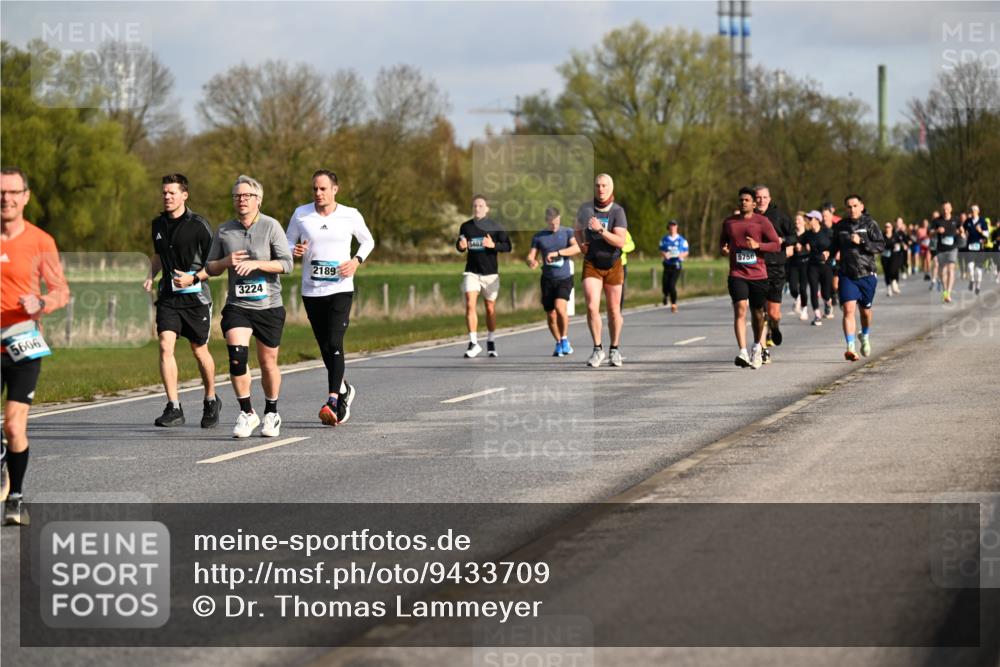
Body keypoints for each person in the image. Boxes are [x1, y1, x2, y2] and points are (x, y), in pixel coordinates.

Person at [0, 167, 70, 525]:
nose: (6, 198)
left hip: (22, 344)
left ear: (25, 197)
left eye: (13, 192)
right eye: (1, 192)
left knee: (15, 427)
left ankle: (15, 497)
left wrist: (41, 303)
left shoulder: (40, 241)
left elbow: (61, 291)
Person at [206, 175, 293, 438]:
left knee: (268, 362)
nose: (241, 200)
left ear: (258, 200)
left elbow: (287, 264)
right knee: (237, 357)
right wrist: (226, 262)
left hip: (269, 305)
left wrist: (257, 264)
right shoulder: (224, 230)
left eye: (247, 196)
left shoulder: (271, 226)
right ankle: (247, 412)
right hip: (238, 305)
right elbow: (210, 268)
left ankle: (271, 413)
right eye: (237, 196)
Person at [287, 170, 374, 426]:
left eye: (323, 188)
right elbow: (287, 243)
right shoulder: (301, 214)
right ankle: (344, 388)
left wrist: (356, 261)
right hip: (312, 290)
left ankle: (333, 401)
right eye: (315, 188)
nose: (318, 193)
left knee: (335, 342)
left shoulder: (350, 214)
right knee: (325, 346)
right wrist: (294, 250)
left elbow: (368, 241)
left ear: (335, 189)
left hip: (340, 288)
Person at [143, 174, 220, 429]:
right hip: (168, 297)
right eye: (164, 192)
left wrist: (193, 278)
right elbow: (158, 255)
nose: (167, 197)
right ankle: (174, 406)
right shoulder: (157, 224)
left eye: (172, 193)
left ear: (184, 195)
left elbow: (214, 264)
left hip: (196, 298)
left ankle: (211, 399)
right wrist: (150, 275)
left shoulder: (199, 225)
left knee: (199, 351)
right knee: (165, 346)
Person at [721, 187, 781, 369]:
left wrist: (758, 245)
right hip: (737, 273)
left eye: (747, 200)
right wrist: (724, 249)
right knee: (740, 308)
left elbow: (776, 245)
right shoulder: (729, 222)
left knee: (757, 313)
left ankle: (756, 347)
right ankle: (743, 352)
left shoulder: (762, 222)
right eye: (741, 200)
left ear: (754, 204)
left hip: (758, 275)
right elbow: (723, 242)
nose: (743, 203)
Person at [575, 173, 628, 368]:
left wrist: (600, 230)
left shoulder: (617, 211)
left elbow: (620, 241)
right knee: (591, 306)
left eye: (604, 185)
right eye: (598, 185)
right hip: (592, 263)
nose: (601, 189)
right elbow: (576, 229)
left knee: (614, 310)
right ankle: (597, 349)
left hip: (613, 264)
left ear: (611, 188)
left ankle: (614, 349)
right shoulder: (586, 209)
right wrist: (581, 245)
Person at [830, 194, 884, 361]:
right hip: (847, 274)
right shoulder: (840, 226)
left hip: (867, 274)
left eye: (855, 206)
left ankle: (865, 335)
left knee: (865, 312)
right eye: (849, 206)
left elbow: (880, 246)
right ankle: (850, 347)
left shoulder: (870, 224)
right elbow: (833, 246)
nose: (852, 209)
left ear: (861, 206)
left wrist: (862, 241)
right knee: (848, 310)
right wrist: (827, 253)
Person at [456, 195, 511, 358]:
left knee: (490, 308)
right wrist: (461, 246)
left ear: (487, 209)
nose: (477, 208)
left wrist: (493, 245)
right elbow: (460, 244)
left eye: (480, 206)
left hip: (490, 274)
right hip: (472, 272)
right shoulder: (466, 226)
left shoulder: (495, 226)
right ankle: (473, 342)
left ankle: (491, 340)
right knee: (470, 304)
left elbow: (508, 246)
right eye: (475, 206)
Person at [527, 206, 580, 356]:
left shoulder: (567, 232)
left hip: (564, 278)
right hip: (547, 280)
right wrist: (531, 262)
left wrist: (558, 253)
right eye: (551, 222)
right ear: (546, 220)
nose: (555, 225)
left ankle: (564, 339)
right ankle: (558, 342)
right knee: (551, 315)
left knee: (560, 307)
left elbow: (577, 248)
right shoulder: (539, 237)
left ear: (559, 218)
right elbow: (530, 255)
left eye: (557, 221)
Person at [754, 185, 795, 362]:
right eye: (758, 197)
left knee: (773, 314)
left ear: (769, 199)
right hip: (756, 268)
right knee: (759, 312)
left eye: (764, 197)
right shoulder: (749, 217)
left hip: (776, 267)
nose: (761, 200)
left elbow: (793, 236)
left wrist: (783, 240)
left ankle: (775, 326)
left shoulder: (779, 216)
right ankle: (763, 350)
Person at [803, 210, 832, 326]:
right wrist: (800, 245)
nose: (808, 221)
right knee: (813, 290)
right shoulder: (808, 234)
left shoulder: (827, 232)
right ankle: (817, 315)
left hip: (826, 266)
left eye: (810, 219)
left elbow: (835, 245)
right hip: (813, 266)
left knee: (825, 293)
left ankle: (828, 302)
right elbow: (798, 241)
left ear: (817, 220)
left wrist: (829, 252)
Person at [659, 220, 689, 312]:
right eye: (671, 226)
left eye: (674, 226)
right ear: (668, 228)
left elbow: (686, 252)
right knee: (665, 285)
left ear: (677, 227)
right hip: (667, 265)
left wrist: (681, 255)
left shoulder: (682, 240)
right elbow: (661, 250)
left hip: (676, 265)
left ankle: (674, 304)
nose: (672, 228)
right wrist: (665, 254)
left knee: (672, 285)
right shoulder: (664, 239)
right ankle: (665, 295)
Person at [935, 201, 961, 303]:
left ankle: (948, 293)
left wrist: (962, 231)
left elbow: (961, 229)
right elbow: (930, 233)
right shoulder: (937, 221)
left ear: (951, 209)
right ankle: (945, 291)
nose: (946, 211)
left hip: (953, 248)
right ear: (942, 210)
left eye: (947, 209)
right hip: (941, 248)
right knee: (943, 271)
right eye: (944, 209)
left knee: (951, 269)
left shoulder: (956, 220)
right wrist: (937, 231)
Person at [788, 213, 811, 320]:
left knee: (803, 288)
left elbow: (812, 248)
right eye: (796, 220)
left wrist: (804, 247)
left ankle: (804, 310)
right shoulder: (792, 234)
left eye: (799, 220)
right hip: (793, 263)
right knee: (792, 287)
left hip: (805, 263)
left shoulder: (808, 235)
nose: (797, 222)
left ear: (804, 222)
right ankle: (797, 298)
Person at [964, 204, 988, 295]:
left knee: (978, 270)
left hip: (979, 246)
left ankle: (978, 286)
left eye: (974, 210)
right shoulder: (968, 221)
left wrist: (980, 231)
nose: (973, 212)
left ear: (978, 211)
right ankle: (972, 280)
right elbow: (963, 229)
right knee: (970, 266)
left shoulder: (982, 221)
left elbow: (987, 234)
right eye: (972, 210)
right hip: (970, 245)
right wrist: (964, 233)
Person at [880, 221, 900, 298]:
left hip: (894, 256)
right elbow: (879, 245)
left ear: (892, 228)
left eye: (888, 227)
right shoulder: (882, 236)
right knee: (886, 272)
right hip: (885, 256)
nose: (887, 228)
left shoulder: (895, 235)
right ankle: (888, 288)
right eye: (885, 227)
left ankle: (894, 282)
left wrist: (899, 246)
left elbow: (899, 243)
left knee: (893, 270)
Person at [619, 229, 636, 309]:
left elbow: (632, 245)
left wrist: (622, 248)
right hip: (601, 264)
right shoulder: (601, 226)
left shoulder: (622, 229)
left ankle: (618, 310)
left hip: (621, 264)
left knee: (619, 289)